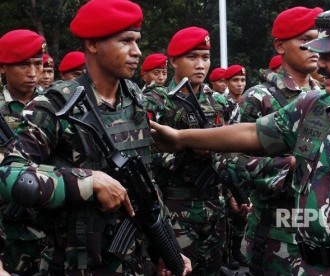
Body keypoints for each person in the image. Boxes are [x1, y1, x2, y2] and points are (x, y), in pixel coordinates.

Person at [151, 4, 330, 275]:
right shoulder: (314, 105)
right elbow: (253, 132)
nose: (320, 65)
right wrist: (181, 137)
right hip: (302, 265)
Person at [0, 1, 191, 275]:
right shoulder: (55, 104)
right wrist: (86, 182)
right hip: (76, 264)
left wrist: (166, 246)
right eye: (126, 41)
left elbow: (145, 181)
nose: (137, 51)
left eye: (137, 41)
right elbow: (9, 174)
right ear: (92, 44)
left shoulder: (135, 98)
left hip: (134, 262)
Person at [214, 6, 323, 276]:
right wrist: (287, 166)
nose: (314, 47)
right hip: (275, 236)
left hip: (320, 232)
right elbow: (224, 159)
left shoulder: (325, 95)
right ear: (280, 46)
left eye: (317, 38)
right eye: (305, 40)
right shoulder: (260, 97)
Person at [146, 26, 230, 276]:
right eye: (192, 57)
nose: (200, 65)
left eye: (205, 57)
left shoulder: (219, 102)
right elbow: (143, 153)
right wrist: (184, 150)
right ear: (173, 61)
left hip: (214, 207)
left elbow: (231, 147)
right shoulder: (156, 101)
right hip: (175, 208)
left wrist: (213, 151)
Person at [0, 29, 47, 275]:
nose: (32, 73)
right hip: (10, 234)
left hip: (54, 229)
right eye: (23, 65)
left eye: (38, 64)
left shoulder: (55, 105)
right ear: (3, 68)